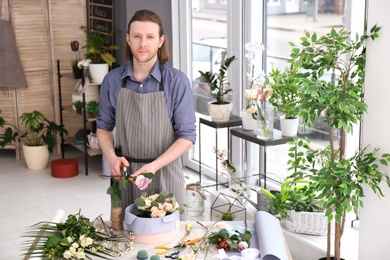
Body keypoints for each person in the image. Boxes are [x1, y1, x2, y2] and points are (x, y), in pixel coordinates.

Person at [96, 9, 196, 212]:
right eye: (137, 37)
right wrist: (112, 158)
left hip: (165, 175)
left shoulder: (176, 82)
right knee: (125, 238)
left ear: (160, 41)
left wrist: (153, 167)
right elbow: (103, 128)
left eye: (150, 37)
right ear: (128, 39)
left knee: (167, 241)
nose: (143, 44)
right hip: (125, 178)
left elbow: (187, 137)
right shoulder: (112, 81)